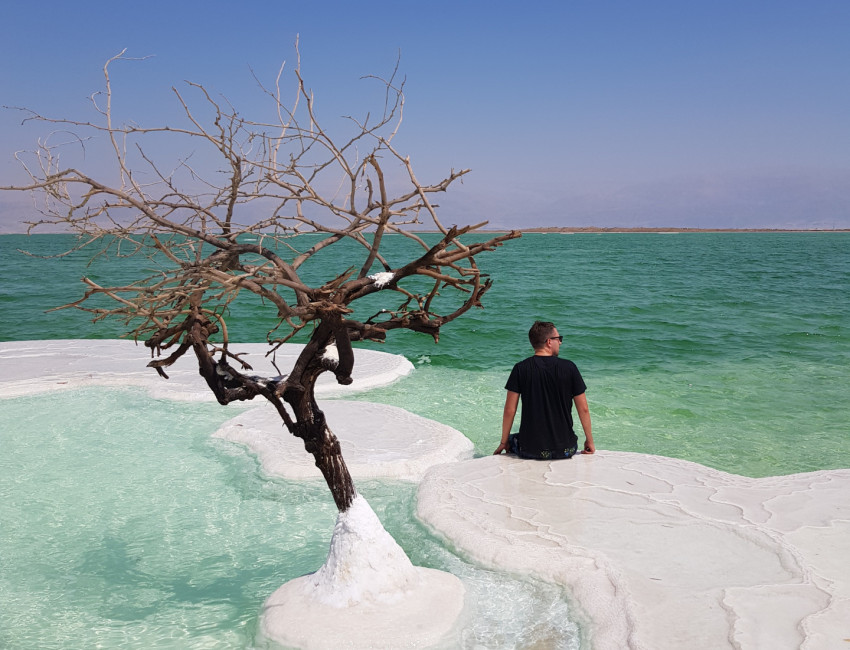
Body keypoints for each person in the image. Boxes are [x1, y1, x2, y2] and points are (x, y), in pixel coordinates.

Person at [494, 321, 595, 458]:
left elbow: (509, 410)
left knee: (513, 439)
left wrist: (503, 442)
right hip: (565, 450)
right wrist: (589, 440)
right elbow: (583, 409)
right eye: (558, 339)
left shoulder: (520, 368)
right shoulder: (570, 367)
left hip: (530, 450)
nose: (560, 342)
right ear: (549, 342)